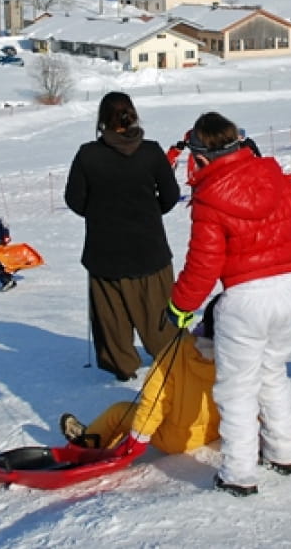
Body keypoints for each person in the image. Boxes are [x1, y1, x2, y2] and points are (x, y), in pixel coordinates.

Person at [167, 110, 291, 496]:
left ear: (200, 157)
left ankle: (238, 473)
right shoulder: (276, 178)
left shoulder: (210, 198)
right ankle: (284, 452)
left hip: (245, 298)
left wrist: (181, 306)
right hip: (285, 291)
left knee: (236, 389)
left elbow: (203, 263)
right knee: (273, 372)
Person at [65, 92, 182, 382]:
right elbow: (171, 196)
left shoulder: (88, 155)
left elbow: (74, 200)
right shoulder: (152, 152)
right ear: (133, 115)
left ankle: (122, 364)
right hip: (149, 248)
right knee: (158, 314)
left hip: (105, 252)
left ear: (102, 120)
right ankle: (172, 359)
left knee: (112, 318)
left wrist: (100, 214)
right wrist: (148, 213)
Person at [59, 294, 222, 457]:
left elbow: (154, 401)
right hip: (216, 431)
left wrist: (139, 437)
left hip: (176, 439)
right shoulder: (238, 357)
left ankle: (88, 443)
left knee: (119, 412)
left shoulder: (178, 352)